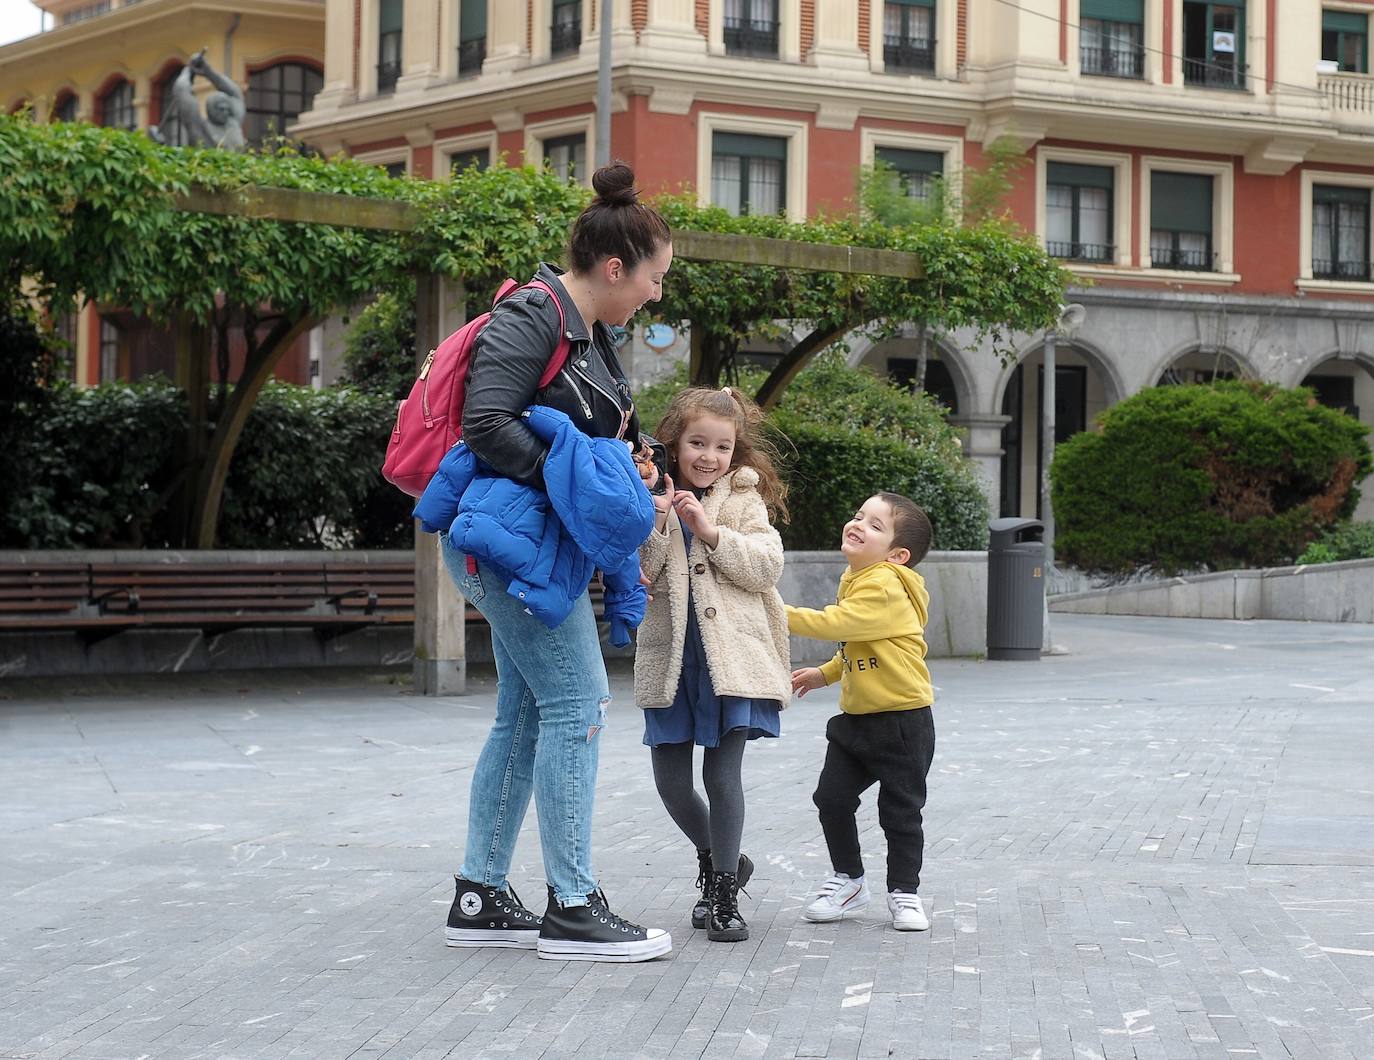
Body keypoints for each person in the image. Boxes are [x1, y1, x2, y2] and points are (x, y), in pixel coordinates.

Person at [439, 161, 674, 963]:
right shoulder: (531, 318)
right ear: (616, 268)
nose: (656, 293)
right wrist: (580, 484)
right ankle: (572, 905)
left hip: (532, 546)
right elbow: (486, 426)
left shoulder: (595, 337)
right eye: (654, 277)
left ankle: (479, 892)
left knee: (528, 714)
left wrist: (638, 466)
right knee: (577, 704)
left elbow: (614, 440)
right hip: (506, 544)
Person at [635, 387, 793, 942]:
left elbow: (766, 566)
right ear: (673, 443)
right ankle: (719, 855)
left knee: (723, 775)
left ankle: (723, 892)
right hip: (672, 658)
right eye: (697, 443)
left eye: (722, 446)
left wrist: (710, 531)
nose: (709, 456)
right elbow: (640, 571)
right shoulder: (647, 492)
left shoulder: (743, 500)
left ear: (735, 451)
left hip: (732, 660)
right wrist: (656, 518)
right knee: (671, 781)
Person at [786, 492, 937, 932]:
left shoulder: (885, 583)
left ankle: (905, 893)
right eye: (858, 516)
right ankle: (849, 881)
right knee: (831, 799)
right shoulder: (859, 578)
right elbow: (859, 643)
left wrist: (771, 610)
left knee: (900, 812)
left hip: (902, 722)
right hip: (857, 720)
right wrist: (826, 674)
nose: (858, 525)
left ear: (897, 554)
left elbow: (837, 624)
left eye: (875, 525)